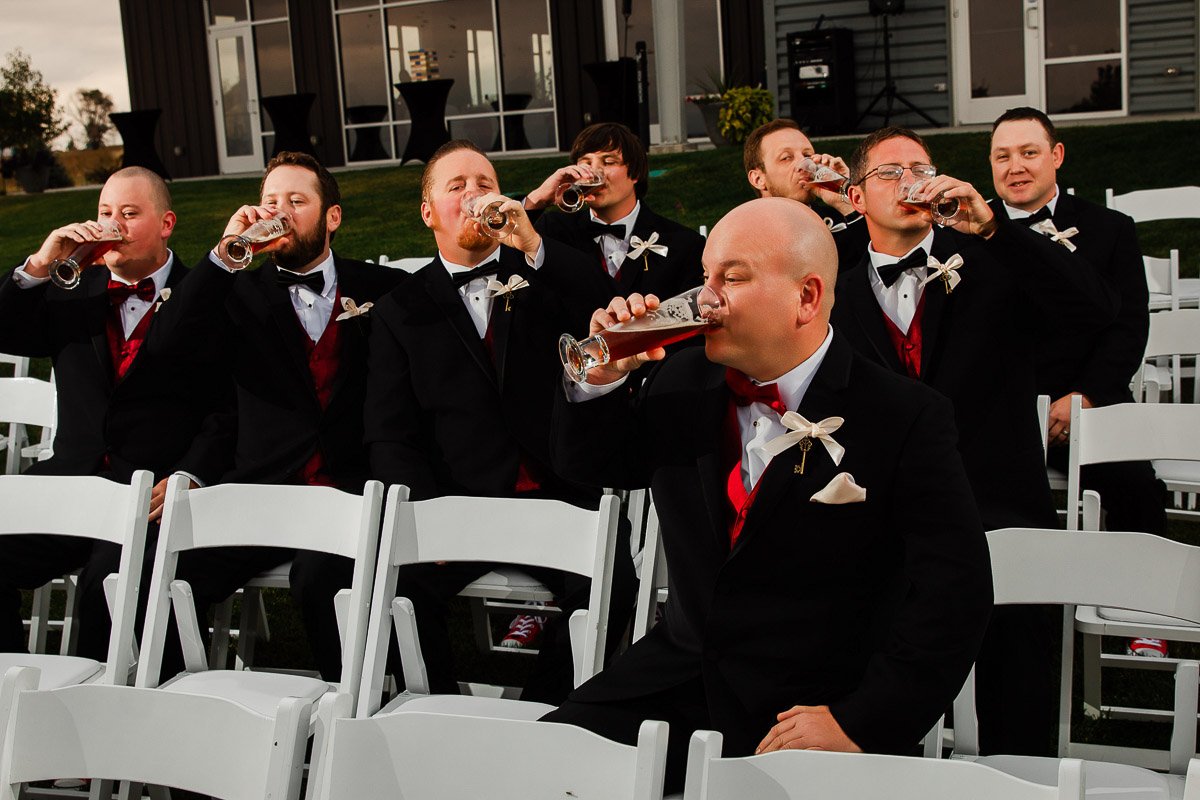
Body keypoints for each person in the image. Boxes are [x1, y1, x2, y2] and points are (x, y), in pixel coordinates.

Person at [542, 197, 993, 792]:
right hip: (680, 677)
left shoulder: (904, 416)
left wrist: (860, 722)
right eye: (706, 277)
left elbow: (955, 594)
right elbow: (591, 464)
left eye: (732, 278)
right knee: (538, 766)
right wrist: (597, 383)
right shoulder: (680, 380)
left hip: (811, 707)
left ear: (806, 297)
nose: (707, 297)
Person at [831, 126, 1116, 755]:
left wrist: (993, 229)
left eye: (921, 167)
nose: (910, 181)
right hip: (876, 520)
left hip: (995, 507)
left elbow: (1094, 310)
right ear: (855, 198)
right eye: (889, 172)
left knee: (1017, 698)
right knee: (867, 686)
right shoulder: (831, 288)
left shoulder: (995, 263)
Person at [363, 139, 635, 704]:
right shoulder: (399, 310)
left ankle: (547, 715)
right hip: (459, 504)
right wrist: (425, 511)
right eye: (455, 186)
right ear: (428, 212)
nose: (473, 195)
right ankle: (440, 716)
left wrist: (533, 241)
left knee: (612, 585)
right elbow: (390, 430)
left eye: (484, 183)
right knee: (395, 594)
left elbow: (607, 309)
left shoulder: (543, 267)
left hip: (558, 492)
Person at [167, 151, 405, 683]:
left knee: (320, 580)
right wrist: (227, 254)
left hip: (349, 491)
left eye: (297, 201)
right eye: (270, 202)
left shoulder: (383, 290)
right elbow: (173, 346)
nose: (280, 212)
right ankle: (175, 718)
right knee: (169, 573)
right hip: (261, 491)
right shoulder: (234, 293)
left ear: (332, 217)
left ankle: (348, 717)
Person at [0, 167, 230, 659]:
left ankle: (103, 711)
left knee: (107, 588)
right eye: (106, 213)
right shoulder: (69, 288)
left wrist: (191, 473)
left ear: (166, 223)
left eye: (130, 214)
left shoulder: (209, 295)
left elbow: (227, 409)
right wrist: (41, 263)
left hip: (147, 498)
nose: (114, 225)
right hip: (70, 486)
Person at [989, 107, 1168, 658]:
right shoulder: (970, 231)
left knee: (1136, 486)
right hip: (1003, 406)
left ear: (1056, 155)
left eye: (1028, 152)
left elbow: (1127, 326)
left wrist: (1084, 397)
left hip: (1090, 396)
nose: (1015, 166)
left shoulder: (1109, 229)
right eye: (1001, 156)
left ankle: (1146, 609)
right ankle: (1000, 615)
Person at [525, 122, 705, 302]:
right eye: (586, 163)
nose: (594, 171)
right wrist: (538, 199)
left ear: (634, 173)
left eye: (608, 162)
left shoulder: (684, 244)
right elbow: (504, 259)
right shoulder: (554, 230)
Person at [743, 118, 868, 269]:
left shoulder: (840, 220)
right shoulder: (741, 235)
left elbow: (876, 270)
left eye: (807, 156)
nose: (803, 165)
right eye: (786, 158)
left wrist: (845, 197)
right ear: (758, 178)